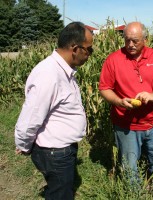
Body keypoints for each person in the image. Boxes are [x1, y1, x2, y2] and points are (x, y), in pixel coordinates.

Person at [15, 21, 94, 200]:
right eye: (89, 50)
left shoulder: (63, 70)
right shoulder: (49, 74)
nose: (90, 55)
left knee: (60, 191)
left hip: (60, 151)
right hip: (55, 153)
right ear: (75, 49)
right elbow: (31, 118)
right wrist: (24, 145)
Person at [98, 21, 153, 183]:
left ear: (145, 39)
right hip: (126, 125)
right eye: (127, 40)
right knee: (130, 166)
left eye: (135, 41)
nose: (130, 44)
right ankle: (133, 193)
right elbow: (104, 88)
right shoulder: (113, 60)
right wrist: (119, 101)